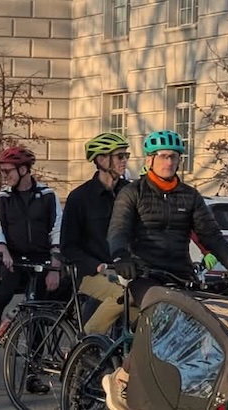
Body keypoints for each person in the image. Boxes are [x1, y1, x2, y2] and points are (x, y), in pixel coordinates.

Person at [102, 130, 228, 410]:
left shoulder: (190, 196)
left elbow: (212, 236)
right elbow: (118, 230)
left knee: (203, 327)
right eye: (163, 156)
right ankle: (122, 378)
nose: (169, 162)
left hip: (181, 274)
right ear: (150, 160)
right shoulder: (132, 192)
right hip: (144, 274)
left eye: (174, 156)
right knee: (159, 318)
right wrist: (121, 255)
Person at [0, 145, 63, 398]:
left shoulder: (47, 195)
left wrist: (55, 264)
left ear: (24, 170)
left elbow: (57, 228)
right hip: (12, 258)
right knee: (2, 297)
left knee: (37, 317)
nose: (5, 175)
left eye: (8, 171)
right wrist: (2, 249)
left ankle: (33, 374)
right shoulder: (3, 196)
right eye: (2, 171)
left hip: (41, 259)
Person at [61, 132, 131, 336]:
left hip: (124, 271)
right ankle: (84, 344)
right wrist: (95, 265)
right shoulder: (80, 198)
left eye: (125, 155)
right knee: (121, 297)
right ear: (101, 160)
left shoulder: (130, 192)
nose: (124, 160)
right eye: (119, 156)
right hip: (91, 274)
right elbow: (68, 246)